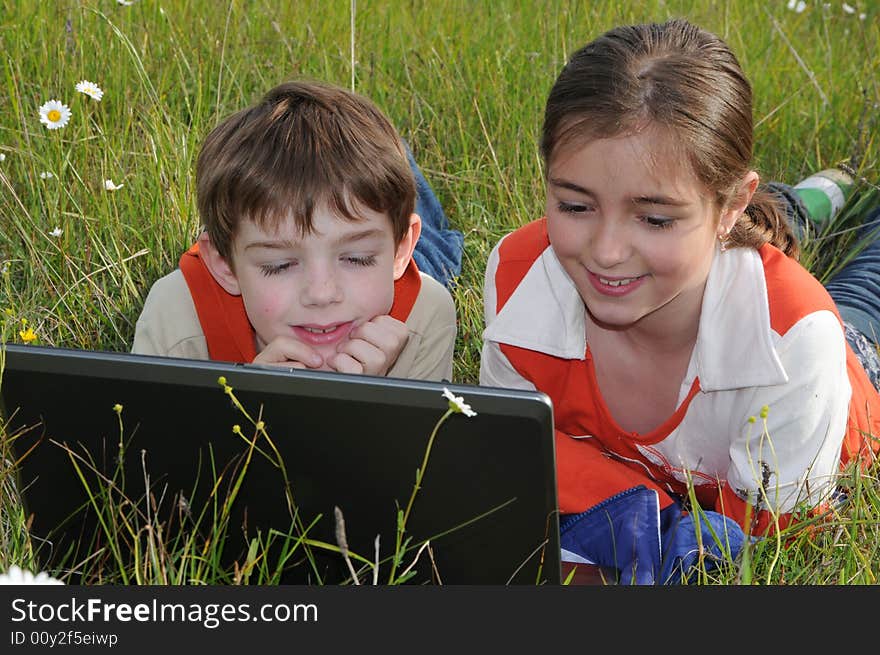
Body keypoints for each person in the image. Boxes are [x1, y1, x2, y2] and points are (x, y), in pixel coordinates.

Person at [479, 18, 880, 584]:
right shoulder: (519, 278)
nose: (607, 251)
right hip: (733, 248)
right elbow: (510, 461)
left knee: (863, 290)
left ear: (729, 205)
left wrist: (604, 496)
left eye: (655, 218)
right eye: (575, 206)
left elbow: (760, 549)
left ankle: (844, 195)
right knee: (780, 217)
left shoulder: (794, 338)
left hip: (854, 360)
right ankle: (819, 192)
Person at [132, 79, 462, 382]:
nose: (321, 294)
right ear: (224, 265)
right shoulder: (176, 317)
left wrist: (370, 399)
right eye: (280, 265)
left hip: (409, 261)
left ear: (401, 251)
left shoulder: (425, 314)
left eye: (357, 258)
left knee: (438, 246)